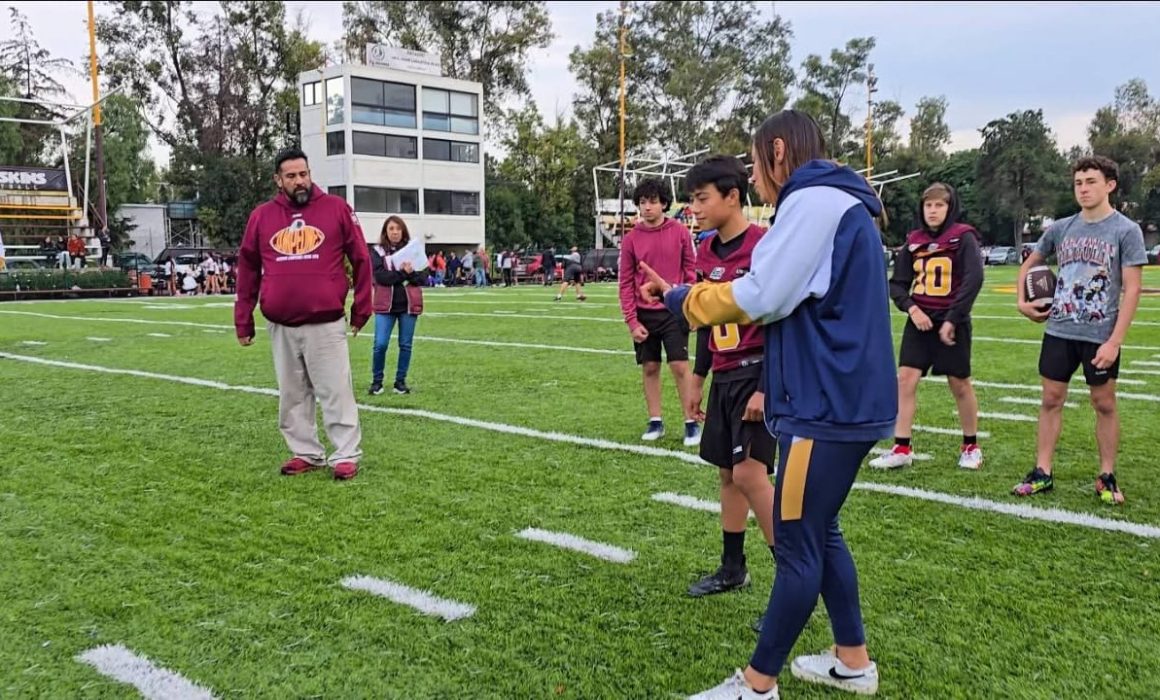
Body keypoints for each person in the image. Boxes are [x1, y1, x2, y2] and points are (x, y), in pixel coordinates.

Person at [642, 110, 895, 699]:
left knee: (797, 537)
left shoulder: (814, 201)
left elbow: (764, 295)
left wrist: (683, 297)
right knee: (820, 529)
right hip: (838, 395)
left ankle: (757, 685)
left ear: (778, 151)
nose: (755, 179)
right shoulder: (833, 200)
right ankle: (853, 661)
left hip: (827, 401)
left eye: (755, 162)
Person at [1013, 155, 1147, 504]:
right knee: (1050, 399)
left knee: (1103, 403)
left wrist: (1115, 341)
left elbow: (1131, 289)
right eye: (1078, 183)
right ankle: (1042, 472)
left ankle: (1106, 475)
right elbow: (1031, 262)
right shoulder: (1061, 228)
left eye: (1091, 182)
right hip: (1059, 329)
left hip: (1100, 333)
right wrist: (1021, 301)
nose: (1084, 189)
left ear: (1110, 185)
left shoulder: (1125, 230)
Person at [234, 146, 373, 481]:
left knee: (335, 390)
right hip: (281, 323)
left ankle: (345, 454)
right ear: (278, 180)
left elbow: (362, 258)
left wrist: (362, 307)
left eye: (304, 174)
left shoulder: (336, 209)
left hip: (324, 320)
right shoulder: (262, 216)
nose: (300, 182)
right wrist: (244, 318)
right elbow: (248, 267)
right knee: (292, 394)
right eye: (292, 176)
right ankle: (306, 452)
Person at [681, 155, 777, 621]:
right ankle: (733, 566)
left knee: (750, 475)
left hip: (757, 371)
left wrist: (766, 385)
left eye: (702, 198)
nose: (694, 208)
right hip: (725, 373)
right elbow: (704, 317)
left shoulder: (764, 244)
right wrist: (699, 378)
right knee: (727, 473)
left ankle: (794, 577)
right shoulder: (704, 252)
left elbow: (782, 321)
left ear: (732, 196)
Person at [870, 182, 985, 470]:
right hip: (919, 320)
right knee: (906, 379)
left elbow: (973, 280)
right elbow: (897, 284)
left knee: (959, 383)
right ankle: (901, 446)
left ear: (950, 207)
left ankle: (971, 445)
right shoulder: (914, 241)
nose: (933, 211)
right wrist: (912, 308)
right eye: (929, 205)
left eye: (939, 205)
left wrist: (952, 318)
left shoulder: (963, 237)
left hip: (951, 321)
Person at [618, 178, 702, 446]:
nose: (647, 207)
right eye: (642, 202)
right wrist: (632, 321)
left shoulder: (679, 232)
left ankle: (691, 422)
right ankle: (655, 421)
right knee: (650, 367)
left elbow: (691, 270)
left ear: (664, 203)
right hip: (644, 314)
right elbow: (625, 282)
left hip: (673, 311)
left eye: (653, 201)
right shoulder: (631, 239)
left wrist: (688, 308)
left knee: (679, 365)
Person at [369, 215, 425, 396]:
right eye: (391, 228)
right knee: (380, 344)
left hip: (408, 305)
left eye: (398, 228)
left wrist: (408, 274)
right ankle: (377, 382)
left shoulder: (412, 249)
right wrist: (403, 273)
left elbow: (422, 277)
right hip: (385, 305)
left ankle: (400, 382)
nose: (395, 232)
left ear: (403, 231)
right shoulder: (377, 251)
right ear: (385, 231)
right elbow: (381, 278)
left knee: (405, 345)